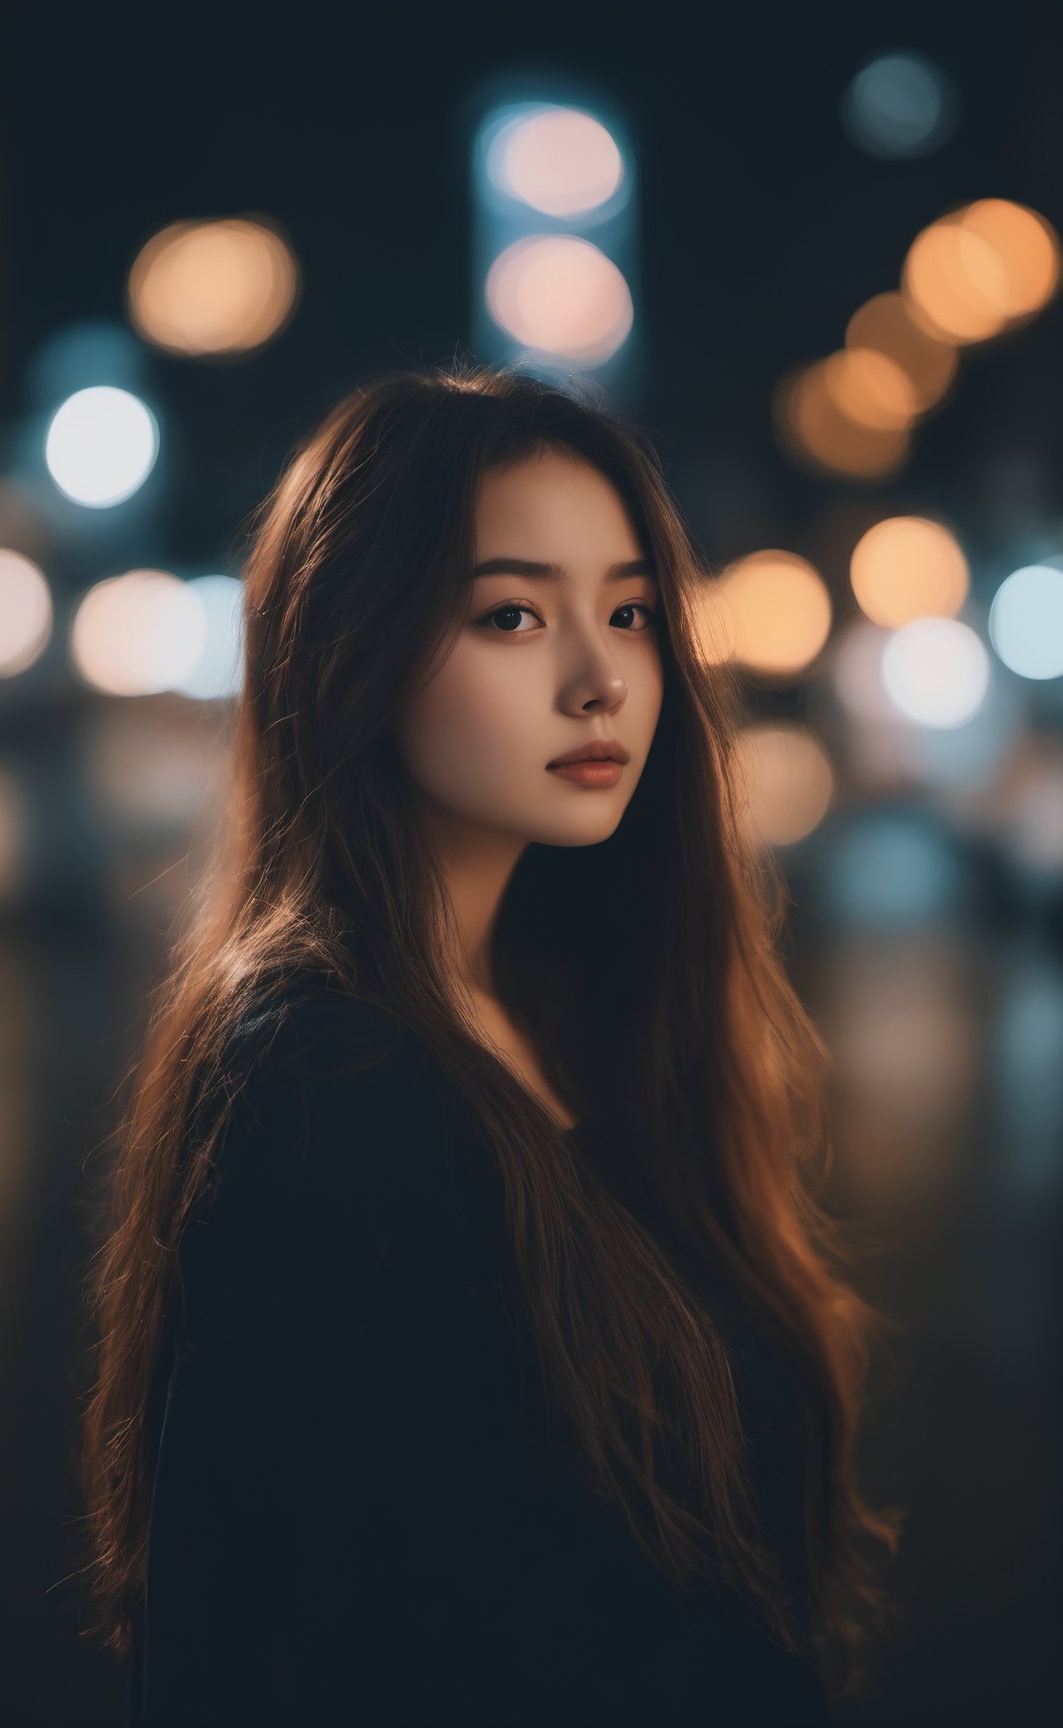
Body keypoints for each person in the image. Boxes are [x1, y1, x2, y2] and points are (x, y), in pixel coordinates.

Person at [79, 362, 902, 1724]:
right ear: (353, 651)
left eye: (631, 612)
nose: (601, 681)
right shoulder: (327, 1082)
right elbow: (258, 1658)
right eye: (512, 615)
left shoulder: (575, 1014)